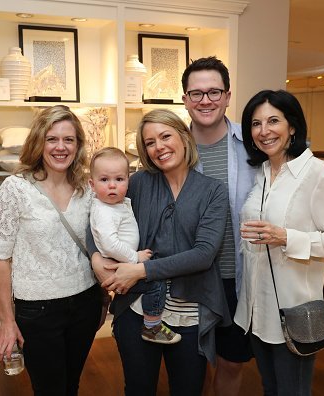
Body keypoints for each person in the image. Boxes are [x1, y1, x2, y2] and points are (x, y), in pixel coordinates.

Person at [89, 108, 231, 395]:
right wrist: (96, 257)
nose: (159, 147)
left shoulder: (212, 191)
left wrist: (141, 269)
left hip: (188, 312)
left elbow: (204, 254)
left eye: (165, 136)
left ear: (183, 136)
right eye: (150, 142)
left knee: (188, 389)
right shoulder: (137, 183)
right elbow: (97, 219)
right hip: (137, 308)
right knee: (139, 388)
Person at [234, 90, 324, 395]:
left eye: (274, 120)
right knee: (270, 388)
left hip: (294, 310)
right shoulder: (261, 172)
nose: (264, 131)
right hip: (255, 309)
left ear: (293, 127)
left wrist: (286, 236)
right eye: (256, 123)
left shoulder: (316, 174)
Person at [0, 105, 103, 396]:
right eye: (52, 139)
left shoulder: (87, 188)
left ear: (78, 145)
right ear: (39, 142)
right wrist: (7, 321)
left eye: (69, 140)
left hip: (84, 303)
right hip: (37, 310)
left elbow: (98, 244)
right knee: (49, 389)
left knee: (71, 384)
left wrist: (105, 294)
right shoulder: (16, 188)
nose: (61, 147)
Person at [181, 56, 256, 395]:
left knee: (231, 361)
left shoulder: (254, 145)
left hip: (237, 276)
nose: (205, 100)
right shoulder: (172, 148)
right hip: (188, 278)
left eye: (214, 91)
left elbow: (294, 157)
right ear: (185, 100)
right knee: (188, 363)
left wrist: (321, 167)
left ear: (227, 96)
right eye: (196, 93)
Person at [88, 147, 180, 344]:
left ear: (128, 181)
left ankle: (120, 317)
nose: (112, 186)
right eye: (104, 180)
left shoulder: (115, 204)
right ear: (92, 184)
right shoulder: (104, 211)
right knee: (155, 283)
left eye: (119, 180)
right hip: (118, 263)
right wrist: (134, 259)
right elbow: (109, 243)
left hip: (121, 261)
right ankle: (152, 325)